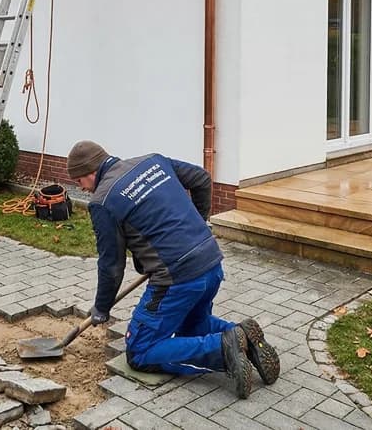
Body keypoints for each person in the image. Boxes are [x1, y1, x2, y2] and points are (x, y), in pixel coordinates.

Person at [67, 140, 280, 399]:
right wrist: (199, 223)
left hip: (178, 280)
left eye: (79, 181)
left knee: (139, 350)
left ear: (90, 172)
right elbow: (201, 178)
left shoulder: (104, 201)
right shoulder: (152, 161)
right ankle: (242, 335)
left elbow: (111, 265)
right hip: (211, 263)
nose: (82, 188)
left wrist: (101, 308)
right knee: (192, 326)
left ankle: (223, 348)